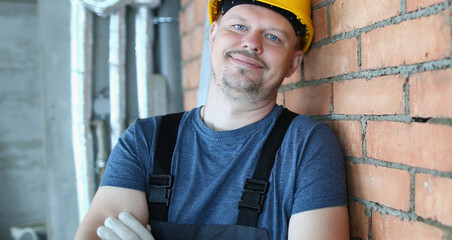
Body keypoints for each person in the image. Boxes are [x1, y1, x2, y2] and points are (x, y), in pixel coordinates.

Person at [74, 0, 349, 239]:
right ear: (213, 35)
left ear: (293, 63)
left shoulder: (306, 146)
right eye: (239, 27)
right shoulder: (145, 141)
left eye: (273, 37)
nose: (252, 43)